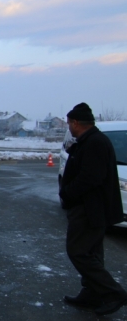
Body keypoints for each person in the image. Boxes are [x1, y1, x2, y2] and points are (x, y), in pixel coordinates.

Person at [59, 103, 127, 316]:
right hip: (90, 208)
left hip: (89, 209)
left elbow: (90, 177)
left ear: (76, 123)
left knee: (78, 251)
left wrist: (68, 192)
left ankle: (113, 292)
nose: (69, 127)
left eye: (69, 123)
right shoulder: (89, 141)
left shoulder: (95, 143)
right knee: (91, 252)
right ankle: (92, 293)